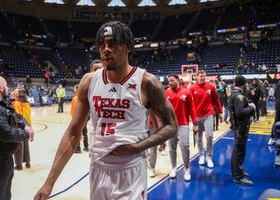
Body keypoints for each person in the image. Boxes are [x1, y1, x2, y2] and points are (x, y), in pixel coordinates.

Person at [34, 21, 177, 200]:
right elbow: (73, 133)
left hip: (130, 169)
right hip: (98, 166)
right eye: (102, 44)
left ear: (128, 47)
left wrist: (138, 146)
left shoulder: (147, 82)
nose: (105, 49)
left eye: (112, 43)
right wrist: (49, 183)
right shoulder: (89, 81)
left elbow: (172, 126)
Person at [191, 70, 222, 168]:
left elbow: (216, 99)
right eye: (201, 76)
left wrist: (220, 112)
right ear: (197, 77)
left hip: (209, 114)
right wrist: (191, 118)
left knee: (209, 136)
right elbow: (190, 104)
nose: (202, 77)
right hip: (197, 116)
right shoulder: (192, 88)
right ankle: (201, 155)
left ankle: (209, 157)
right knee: (198, 137)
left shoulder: (211, 87)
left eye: (204, 76)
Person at [228, 75, 256, 185]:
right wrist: (251, 107)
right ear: (242, 84)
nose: (247, 85)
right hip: (241, 127)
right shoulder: (239, 96)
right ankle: (238, 176)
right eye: (246, 83)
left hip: (238, 127)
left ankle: (235, 171)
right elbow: (240, 112)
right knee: (239, 150)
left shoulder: (235, 94)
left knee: (236, 150)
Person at [12, 87, 32, 170]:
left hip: (20, 126)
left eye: (15, 91)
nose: (13, 92)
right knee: (26, 145)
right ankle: (27, 163)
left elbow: (18, 116)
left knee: (18, 146)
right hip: (27, 125)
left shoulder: (17, 103)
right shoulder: (27, 103)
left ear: (19, 94)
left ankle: (19, 165)